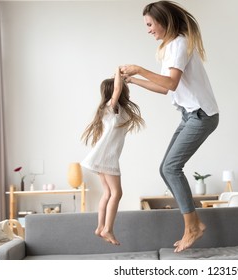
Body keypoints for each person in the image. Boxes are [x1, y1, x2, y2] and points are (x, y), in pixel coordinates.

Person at [120, 1, 219, 252]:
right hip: (189, 115)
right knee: (166, 169)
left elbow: (171, 83)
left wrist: (140, 69)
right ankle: (192, 222)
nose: (149, 30)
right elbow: (165, 87)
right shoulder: (171, 47)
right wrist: (135, 79)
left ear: (163, 21)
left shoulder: (181, 43)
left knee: (172, 167)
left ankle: (193, 226)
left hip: (201, 115)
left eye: (150, 24)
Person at [81, 67, 144, 245]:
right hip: (107, 157)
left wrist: (121, 79)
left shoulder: (116, 110)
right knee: (117, 192)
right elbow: (117, 89)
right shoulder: (110, 107)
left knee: (108, 192)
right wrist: (118, 70)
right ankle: (108, 229)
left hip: (102, 156)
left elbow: (117, 89)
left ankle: (100, 227)